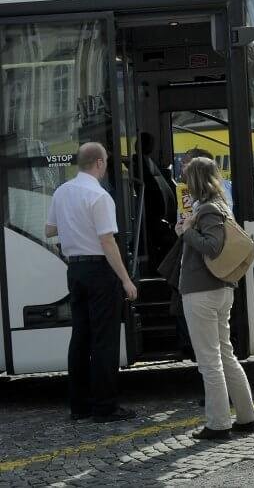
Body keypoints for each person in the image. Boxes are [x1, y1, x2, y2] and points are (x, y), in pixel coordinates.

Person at [45, 142, 138, 423]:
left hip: (74, 270)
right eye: (107, 161)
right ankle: (105, 407)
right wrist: (126, 280)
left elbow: (49, 230)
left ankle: (79, 406)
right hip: (100, 271)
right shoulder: (99, 196)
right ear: (98, 163)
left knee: (80, 338)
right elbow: (107, 241)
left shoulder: (62, 192)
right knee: (104, 340)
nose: (107, 165)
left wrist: (73, 229)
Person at [176, 156, 254, 440]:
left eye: (187, 178)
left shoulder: (209, 209)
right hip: (221, 289)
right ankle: (247, 418)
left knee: (210, 361)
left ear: (196, 180)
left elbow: (211, 247)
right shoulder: (222, 206)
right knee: (225, 354)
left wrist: (186, 232)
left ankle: (218, 423)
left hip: (202, 291)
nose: (184, 184)